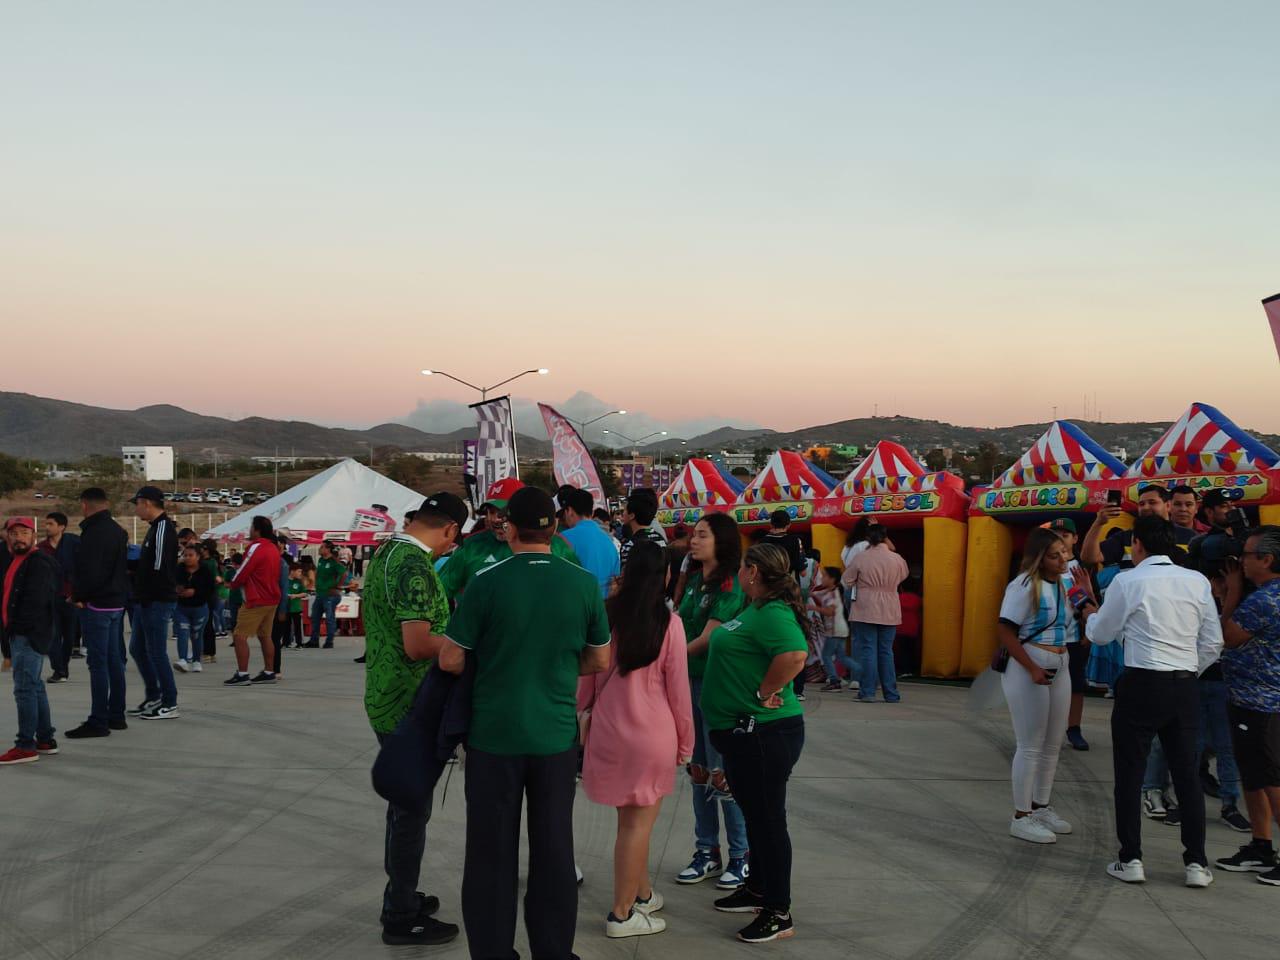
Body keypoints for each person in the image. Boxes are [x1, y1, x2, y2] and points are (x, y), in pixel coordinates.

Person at [436, 486, 611, 960]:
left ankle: (494, 951)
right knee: (554, 849)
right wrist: (551, 665)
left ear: (509, 528)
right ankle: (553, 950)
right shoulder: (580, 581)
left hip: (494, 737)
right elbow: (599, 659)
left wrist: (500, 661)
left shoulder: (487, 582)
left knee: (490, 853)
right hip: (554, 737)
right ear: (554, 528)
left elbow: (451, 659)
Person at [1083, 516, 1224, 888]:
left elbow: (1101, 634)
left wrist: (1088, 613)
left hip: (1142, 681)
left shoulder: (1127, 581)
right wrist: (1188, 670)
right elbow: (1213, 641)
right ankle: (1196, 863)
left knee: (1129, 774)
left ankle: (1131, 858)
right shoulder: (1196, 581)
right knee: (1187, 775)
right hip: (1184, 683)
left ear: (1137, 545)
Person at [363, 493, 467, 945]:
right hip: (410, 703)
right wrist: (468, 643)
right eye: (453, 540)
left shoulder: (388, 551)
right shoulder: (415, 567)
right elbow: (419, 645)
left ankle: (400, 893)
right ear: (449, 530)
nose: (451, 548)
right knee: (411, 811)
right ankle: (401, 915)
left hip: (385, 693)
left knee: (402, 807)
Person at [579, 540, 694, 938]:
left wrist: (583, 715)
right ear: (664, 577)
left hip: (609, 730)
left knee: (628, 823)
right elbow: (679, 691)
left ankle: (641, 894)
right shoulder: (669, 624)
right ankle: (622, 914)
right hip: (652, 735)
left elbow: (588, 677)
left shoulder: (606, 615)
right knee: (638, 826)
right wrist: (686, 743)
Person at [702, 542, 808, 942]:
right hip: (745, 734)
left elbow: (795, 655)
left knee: (768, 822)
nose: (739, 571)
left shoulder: (774, 613)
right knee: (757, 815)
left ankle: (778, 911)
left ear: (753, 573)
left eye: (744, 565)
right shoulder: (757, 607)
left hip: (765, 732)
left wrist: (764, 692)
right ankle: (759, 888)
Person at [676, 513, 751, 889]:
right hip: (688, 682)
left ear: (722, 540)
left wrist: (669, 658)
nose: (694, 540)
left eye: (702, 535)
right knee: (698, 770)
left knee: (724, 775)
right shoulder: (692, 580)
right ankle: (706, 850)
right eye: (693, 535)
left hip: (719, 685)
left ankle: (741, 856)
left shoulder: (731, 583)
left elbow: (709, 635)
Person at [996, 528, 1077, 844]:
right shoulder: (1024, 585)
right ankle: (1021, 815)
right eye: (1055, 555)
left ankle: (1041, 806)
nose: (1063, 559)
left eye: (1065, 552)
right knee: (1030, 744)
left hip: (1061, 663)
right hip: (1029, 665)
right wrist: (1030, 668)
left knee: (1053, 743)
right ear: (1040, 558)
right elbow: (1005, 630)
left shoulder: (1067, 582)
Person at [1214, 526, 1280, 885]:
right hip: (1253, 699)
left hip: (1261, 702)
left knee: (1270, 778)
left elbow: (1227, 637)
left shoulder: (1266, 599)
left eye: (1247, 556)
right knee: (1254, 777)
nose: (1240, 561)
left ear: (1266, 559)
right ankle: (1261, 845)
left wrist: (1233, 591)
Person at [439, 479, 579, 598]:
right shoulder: (471, 546)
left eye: (501, 511)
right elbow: (437, 594)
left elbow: (579, 594)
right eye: (491, 512)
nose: (494, 519)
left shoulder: (558, 547)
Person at [65, 488, 131, 739]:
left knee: (98, 663)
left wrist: (79, 596)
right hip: (116, 603)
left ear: (84, 505)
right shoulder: (117, 531)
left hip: (98, 606)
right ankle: (117, 714)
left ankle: (98, 720)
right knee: (114, 661)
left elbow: (91, 572)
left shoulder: (92, 533)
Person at [0, 518, 61, 765]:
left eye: (24, 532)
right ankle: (44, 739)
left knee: (24, 689)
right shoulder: (18, 560)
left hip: (28, 635)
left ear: (34, 535)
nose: (18, 537)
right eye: (13, 533)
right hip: (22, 635)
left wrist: (17, 630)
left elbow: (35, 603)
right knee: (34, 687)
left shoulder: (39, 563)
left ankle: (26, 745)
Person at [129, 485, 180, 721]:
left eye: (137, 504)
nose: (136, 509)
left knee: (157, 651)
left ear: (146, 502)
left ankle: (169, 702)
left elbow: (159, 569)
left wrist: (148, 595)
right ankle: (154, 695)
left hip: (157, 600)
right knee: (138, 648)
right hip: (144, 599)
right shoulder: (153, 530)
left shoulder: (162, 529)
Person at [842, 525, 909, 703]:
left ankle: (868, 692)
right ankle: (891, 694)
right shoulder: (897, 559)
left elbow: (847, 580)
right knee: (886, 651)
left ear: (868, 538)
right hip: (890, 607)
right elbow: (904, 575)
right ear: (885, 537)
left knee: (868, 650)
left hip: (865, 607)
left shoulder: (861, 558)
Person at [1047, 518, 1095, 752]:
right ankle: (1044, 728)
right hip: (1044, 641)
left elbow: (1086, 604)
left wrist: (1088, 632)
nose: (1060, 539)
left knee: (1076, 686)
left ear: (1075, 538)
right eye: (1055, 534)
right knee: (1044, 685)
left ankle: (1073, 728)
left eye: (1065, 534)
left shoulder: (1079, 569)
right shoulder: (1043, 566)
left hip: (1073, 639)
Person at [224, 516, 284, 685]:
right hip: (272, 598)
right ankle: (269, 671)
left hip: (256, 599)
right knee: (265, 635)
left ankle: (242, 674)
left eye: (251, 527)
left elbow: (243, 570)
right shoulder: (273, 548)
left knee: (239, 636)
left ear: (257, 530)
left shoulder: (255, 547)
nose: (249, 530)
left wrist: (233, 584)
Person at [39, 511, 80, 684]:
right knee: (53, 635)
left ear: (61, 526)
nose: (47, 527)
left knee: (69, 636)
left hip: (70, 596)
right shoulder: (41, 548)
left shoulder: (74, 543)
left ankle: (63, 666)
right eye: (46, 524)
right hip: (49, 597)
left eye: (50, 524)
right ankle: (59, 669)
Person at [559, 487, 620, 598]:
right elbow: (615, 580)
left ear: (570, 511)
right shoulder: (610, 540)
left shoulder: (563, 539)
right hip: (604, 608)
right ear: (591, 513)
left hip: (577, 606)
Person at [811, 566, 858, 691]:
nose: (822, 578)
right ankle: (863, 672)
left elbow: (829, 611)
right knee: (841, 657)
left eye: (825, 575)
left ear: (832, 579)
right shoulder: (832, 591)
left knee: (826, 655)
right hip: (840, 630)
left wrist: (813, 608)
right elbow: (816, 594)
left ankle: (834, 681)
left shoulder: (831, 595)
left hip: (834, 631)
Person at [172, 545, 213, 673]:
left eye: (191, 555)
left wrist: (195, 592)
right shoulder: (178, 569)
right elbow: (172, 583)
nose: (188, 558)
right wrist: (177, 589)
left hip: (200, 608)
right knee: (182, 632)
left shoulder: (205, 570)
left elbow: (210, 589)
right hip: (181, 607)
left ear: (198, 557)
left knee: (196, 635)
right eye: (185, 555)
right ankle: (183, 659)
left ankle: (196, 660)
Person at [305, 540, 344, 648]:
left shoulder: (334, 561)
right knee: (315, 617)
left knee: (329, 618)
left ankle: (329, 641)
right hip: (320, 594)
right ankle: (314, 641)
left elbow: (343, 573)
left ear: (327, 549)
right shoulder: (321, 560)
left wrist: (337, 585)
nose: (319, 549)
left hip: (330, 595)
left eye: (322, 547)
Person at [618, 488, 665, 573]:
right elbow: (667, 574)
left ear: (632, 515)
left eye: (624, 510)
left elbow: (625, 578)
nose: (623, 513)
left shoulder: (630, 545)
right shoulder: (661, 540)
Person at [761, 509, 804, 578]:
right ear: (788, 525)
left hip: (769, 581)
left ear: (771, 524)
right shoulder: (794, 540)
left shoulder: (763, 541)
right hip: (788, 580)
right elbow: (800, 566)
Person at [285, 562, 305, 649]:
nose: (300, 574)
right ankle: (286, 642)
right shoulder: (285, 581)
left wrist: (296, 596)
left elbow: (304, 593)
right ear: (292, 571)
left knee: (297, 626)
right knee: (286, 626)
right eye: (298, 571)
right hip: (286, 607)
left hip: (296, 607)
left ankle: (299, 643)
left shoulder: (299, 582)